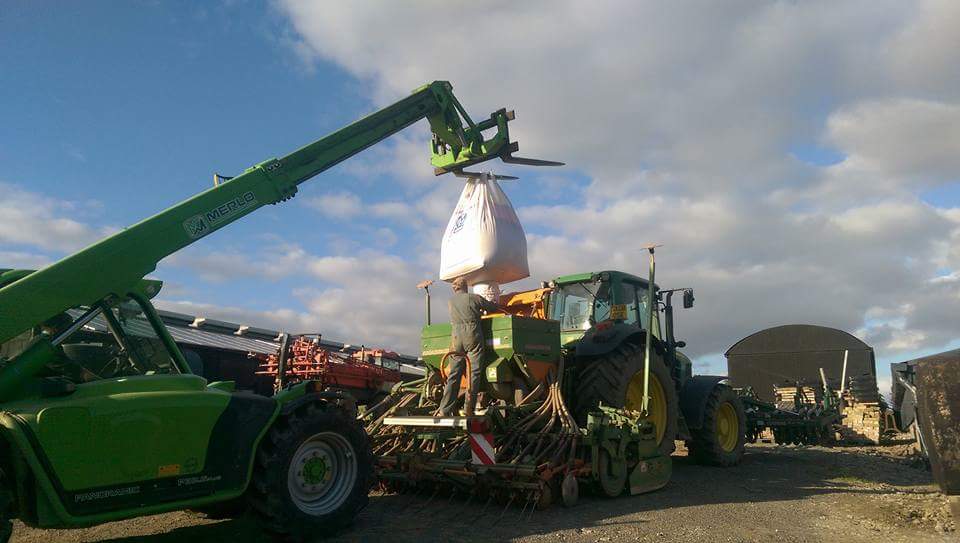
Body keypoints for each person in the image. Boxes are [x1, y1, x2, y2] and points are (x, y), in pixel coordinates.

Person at [438, 277, 501, 416]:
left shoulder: (450, 301)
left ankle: (444, 409)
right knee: (474, 373)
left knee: (454, 375)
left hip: (456, 338)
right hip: (472, 336)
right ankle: (468, 408)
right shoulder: (474, 298)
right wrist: (494, 302)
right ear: (466, 287)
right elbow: (492, 307)